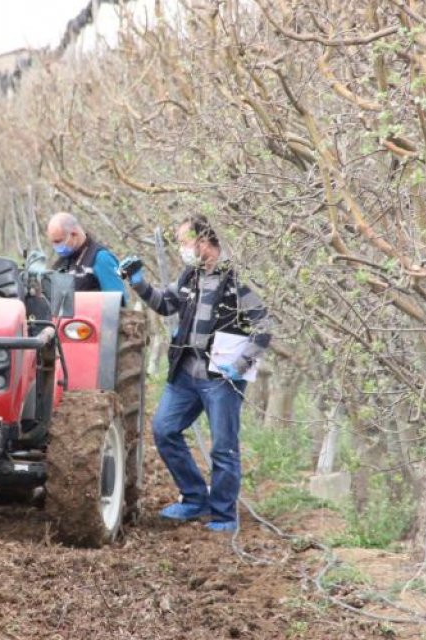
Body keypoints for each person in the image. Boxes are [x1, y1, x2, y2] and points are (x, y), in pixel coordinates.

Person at [117, 215, 271, 532]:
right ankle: (194, 498)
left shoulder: (236, 280)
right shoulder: (191, 275)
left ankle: (224, 514)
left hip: (222, 379)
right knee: (163, 429)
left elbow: (264, 326)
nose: (183, 249)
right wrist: (138, 283)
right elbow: (165, 304)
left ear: (204, 241)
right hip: (186, 372)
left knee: (223, 447)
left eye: (186, 242)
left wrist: (241, 365)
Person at [46, 212, 126, 301]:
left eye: (58, 241)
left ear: (74, 234)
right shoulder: (61, 264)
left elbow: (118, 301)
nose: (55, 246)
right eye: (52, 242)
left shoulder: (101, 258)